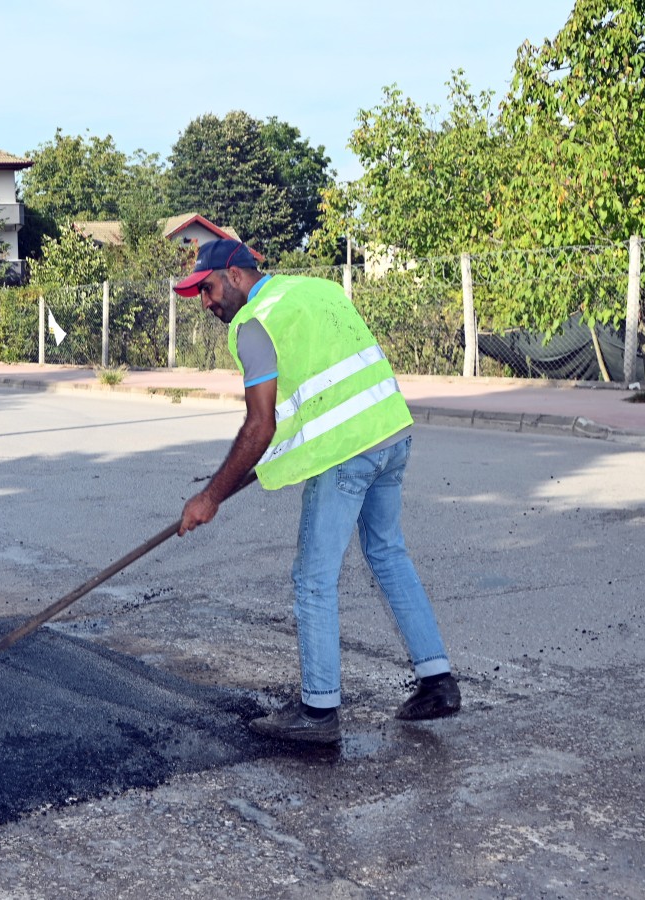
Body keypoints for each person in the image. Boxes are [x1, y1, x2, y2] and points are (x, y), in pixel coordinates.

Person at [174, 238, 460, 744]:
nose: (206, 301)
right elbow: (310, 397)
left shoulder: (254, 323)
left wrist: (209, 497)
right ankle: (438, 681)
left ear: (237, 274)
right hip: (392, 435)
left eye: (210, 287)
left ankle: (319, 711)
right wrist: (248, 469)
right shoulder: (316, 291)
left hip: (346, 453)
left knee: (313, 578)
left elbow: (258, 427)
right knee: (389, 554)